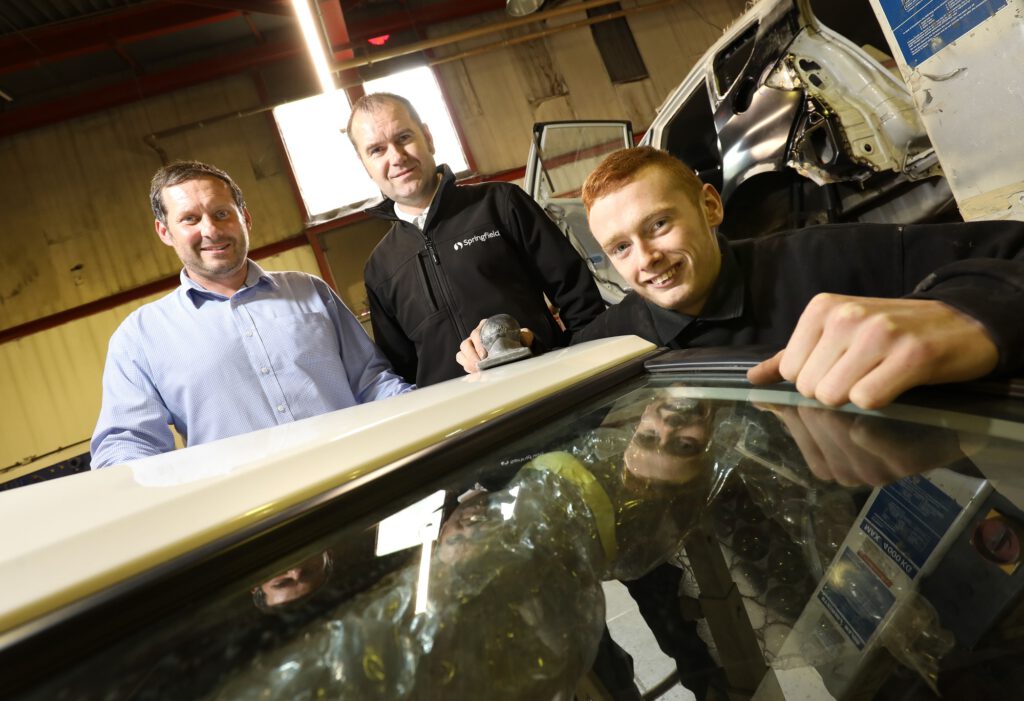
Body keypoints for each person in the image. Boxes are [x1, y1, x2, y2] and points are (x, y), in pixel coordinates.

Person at [459, 146, 1024, 409]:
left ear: (710, 206)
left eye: (659, 224)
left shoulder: (833, 260)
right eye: (621, 248)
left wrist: (969, 313)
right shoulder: (612, 342)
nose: (646, 258)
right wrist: (509, 360)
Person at [90, 161, 412, 469]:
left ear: (245, 218)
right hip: (249, 515)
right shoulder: (141, 337)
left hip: (362, 483)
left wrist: (431, 412)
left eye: (221, 213)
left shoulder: (310, 292)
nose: (211, 230)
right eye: (190, 219)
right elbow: (126, 445)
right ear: (165, 232)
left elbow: (372, 383)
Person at [347, 92, 606, 386]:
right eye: (377, 150)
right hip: (462, 423)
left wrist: (588, 375)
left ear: (428, 137)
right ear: (365, 165)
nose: (396, 157)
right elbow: (402, 372)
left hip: (545, 392)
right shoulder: (379, 269)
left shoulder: (501, 205)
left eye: (404, 137)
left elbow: (580, 300)